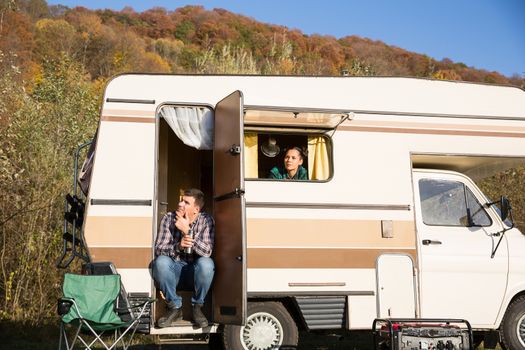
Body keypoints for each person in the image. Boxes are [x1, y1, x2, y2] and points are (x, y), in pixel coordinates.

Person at [152, 188, 215, 328]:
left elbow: (207, 251)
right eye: (181, 200)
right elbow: (159, 249)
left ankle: (197, 307)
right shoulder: (168, 218)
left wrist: (188, 231)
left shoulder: (206, 220)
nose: (180, 204)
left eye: (186, 202)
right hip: (174, 271)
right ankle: (175, 307)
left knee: (206, 264)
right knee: (160, 262)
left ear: (196, 209)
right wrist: (178, 247)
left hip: (195, 273)